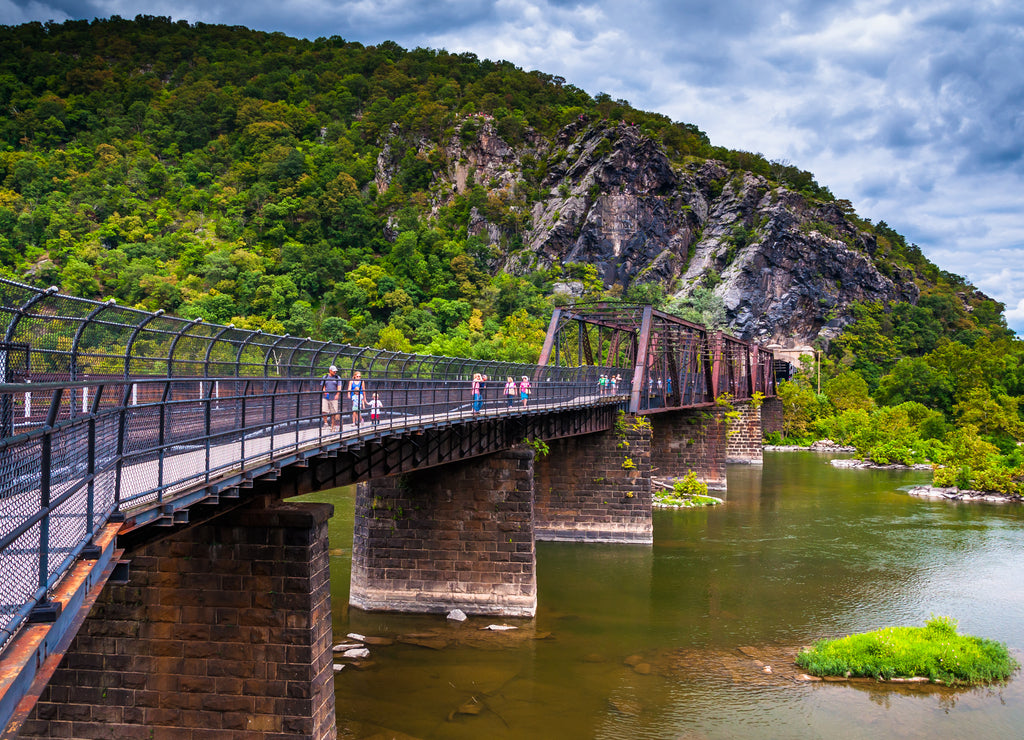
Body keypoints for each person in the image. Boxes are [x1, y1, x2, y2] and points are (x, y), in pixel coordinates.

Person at [321, 365, 342, 431]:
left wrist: (337, 394)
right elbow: (323, 386)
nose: (335, 372)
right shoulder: (325, 377)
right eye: (334, 371)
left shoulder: (337, 377)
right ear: (330, 370)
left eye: (335, 371)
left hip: (334, 397)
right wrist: (324, 392)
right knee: (324, 410)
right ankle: (325, 423)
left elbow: (339, 387)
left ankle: (333, 425)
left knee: (334, 412)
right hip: (325, 397)